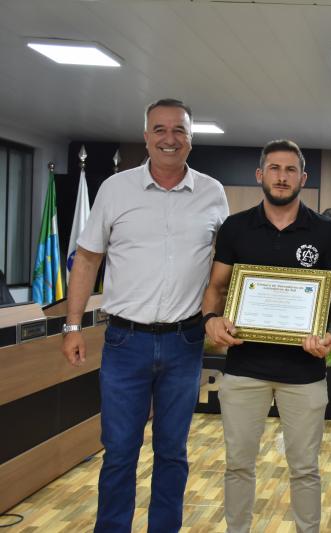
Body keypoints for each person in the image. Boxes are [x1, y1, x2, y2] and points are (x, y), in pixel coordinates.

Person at [61, 98, 229, 532]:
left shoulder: (213, 193)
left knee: (172, 452)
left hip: (185, 342)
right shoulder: (115, 189)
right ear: (146, 136)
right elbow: (87, 259)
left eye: (179, 130)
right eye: (160, 129)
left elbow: (226, 267)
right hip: (125, 342)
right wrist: (73, 325)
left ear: (191, 138)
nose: (169, 138)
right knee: (119, 451)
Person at [201, 139, 331, 533]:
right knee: (238, 465)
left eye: (290, 170)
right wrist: (211, 319)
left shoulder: (327, 232)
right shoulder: (236, 227)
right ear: (260, 175)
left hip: (304, 373)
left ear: (303, 178)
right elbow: (215, 287)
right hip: (244, 368)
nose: (282, 177)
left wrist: (329, 334)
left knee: (305, 468)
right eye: (274, 168)